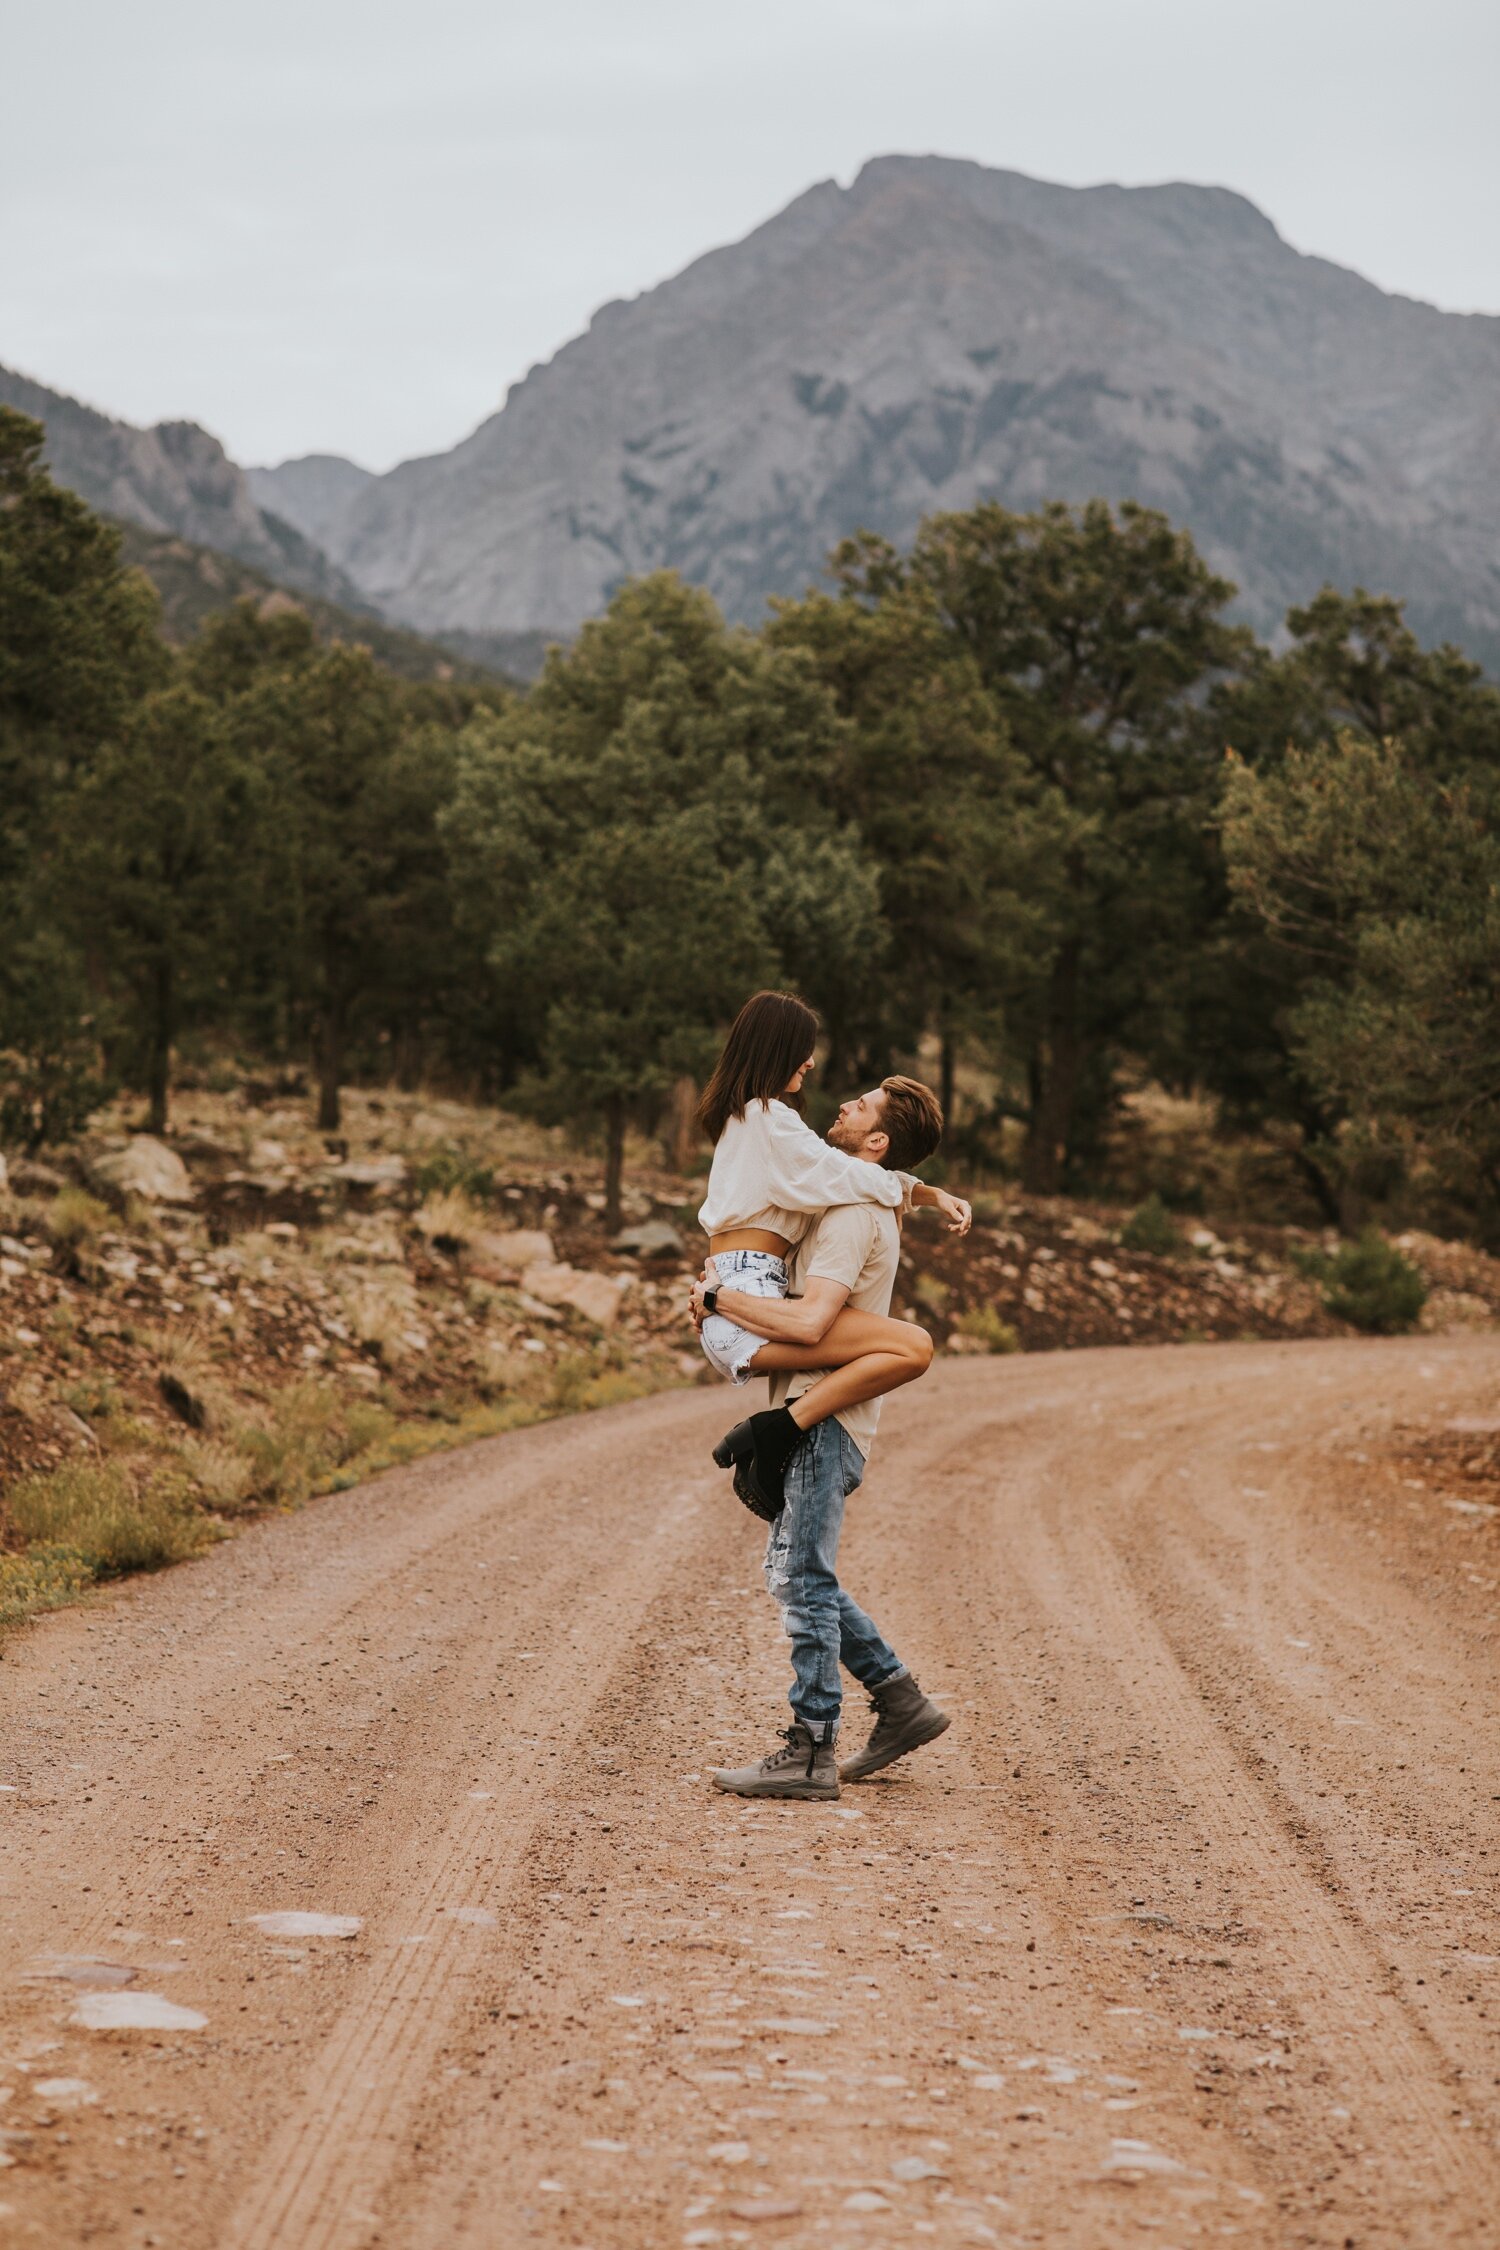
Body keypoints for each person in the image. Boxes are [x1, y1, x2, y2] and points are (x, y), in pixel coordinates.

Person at [691, 1073, 960, 1802]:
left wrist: (722, 1301)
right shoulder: (854, 1196)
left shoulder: (848, 1216)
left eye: (863, 1105)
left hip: (822, 1419)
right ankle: (900, 1701)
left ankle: (812, 1748)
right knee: (796, 1573)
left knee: (801, 1577)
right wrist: (928, 1192)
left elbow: (812, 1323)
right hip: (822, 1418)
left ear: (875, 1141)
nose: (845, 1102)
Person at [696, 991, 969, 1515]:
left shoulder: (751, 1119)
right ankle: (770, 1431)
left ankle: (772, 1432)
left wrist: (926, 1194)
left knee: (895, 1350)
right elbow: (845, 1175)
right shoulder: (770, 1117)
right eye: (805, 1048)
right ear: (779, 1049)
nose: (812, 1061)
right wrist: (922, 1193)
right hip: (745, 1295)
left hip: (744, 1290)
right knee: (911, 1349)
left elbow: (840, 1174)